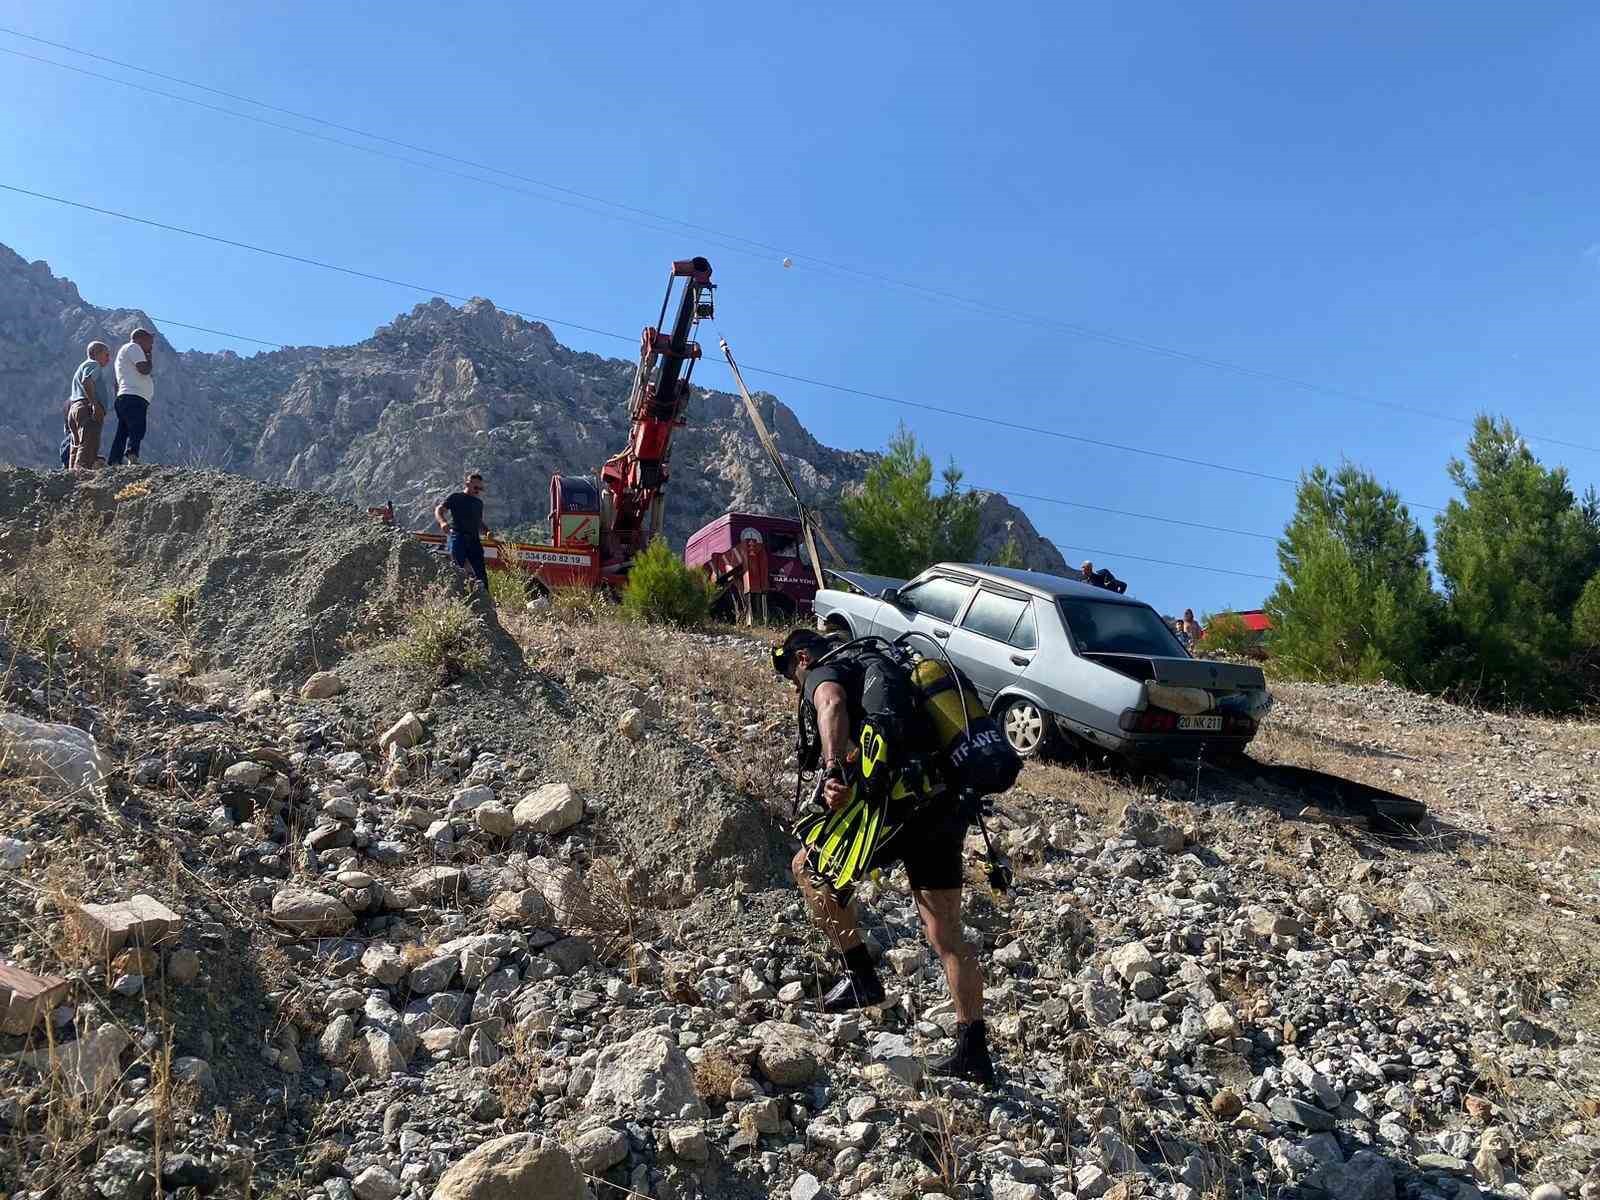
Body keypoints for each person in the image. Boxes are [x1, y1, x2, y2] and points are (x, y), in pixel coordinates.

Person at [773, 627, 996, 1084]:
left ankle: (861, 976)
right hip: (944, 805)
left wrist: (832, 766)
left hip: (897, 809)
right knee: (946, 933)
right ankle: (973, 1050)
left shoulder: (823, 670)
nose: (796, 688)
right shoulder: (890, 672)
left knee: (807, 867)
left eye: (791, 678)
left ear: (800, 657)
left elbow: (830, 702)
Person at [435, 471, 493, 589]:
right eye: (476, 487)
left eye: (480, 488)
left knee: (480, 571)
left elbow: (479, 522)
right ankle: (452, 595)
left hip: (474, 540)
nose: (478, 491)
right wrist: (442, 522)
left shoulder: (478, 503)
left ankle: (486, 600)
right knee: (456, 566)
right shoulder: (456, 497)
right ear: (467, 484)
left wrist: (487, 531)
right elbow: (439, 509)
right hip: (458, 536)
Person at [109, 328, 155, 465]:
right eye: (149, 342)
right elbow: (144, 369)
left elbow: (116, 383)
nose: (151, 346)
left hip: (126, 397)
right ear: (140, 339)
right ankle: (132, 454)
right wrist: (149, 357)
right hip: (134, 397)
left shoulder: (124, 354)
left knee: (123, 432)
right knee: (138, 427)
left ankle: (114, 460)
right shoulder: (134, 347)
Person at [65, 341, 112, 471]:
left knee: (76, 444)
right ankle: (82, 473)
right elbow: (87, 380)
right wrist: (95, 405)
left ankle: (71, 474)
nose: (109, 359)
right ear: (95, 354)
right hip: (86, 408)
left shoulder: (80, 368)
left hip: (74, 409)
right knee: (89, 442)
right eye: (106, 355)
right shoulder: (93, 364)